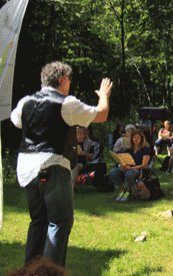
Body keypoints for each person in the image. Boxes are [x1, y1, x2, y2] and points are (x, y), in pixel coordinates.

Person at [10, 61, 112, 267]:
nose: (70, 84)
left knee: (38, 221)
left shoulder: (25, 102)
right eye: (69, 80)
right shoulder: (67, 104)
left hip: (26, 170)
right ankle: (49, 273)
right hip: (52, 165)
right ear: (61, 80)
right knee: (60, 222)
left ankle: (31, 271)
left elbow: (16, 121)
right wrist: (103, 96)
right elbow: (101, 114)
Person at [109, 129, 151, 202]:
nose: (136, 139)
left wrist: (129, 168)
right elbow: (121, 158)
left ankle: (128, 192)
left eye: (138, 137)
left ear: (141, 138)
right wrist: (121, 165)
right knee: (113, 171)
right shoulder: (129, 149)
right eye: (134, 137)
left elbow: (144, 164)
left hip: (138, 169)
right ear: (132, 139)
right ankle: (122, 190)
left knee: (129, 174)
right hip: (127, 167)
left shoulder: (145, 149)